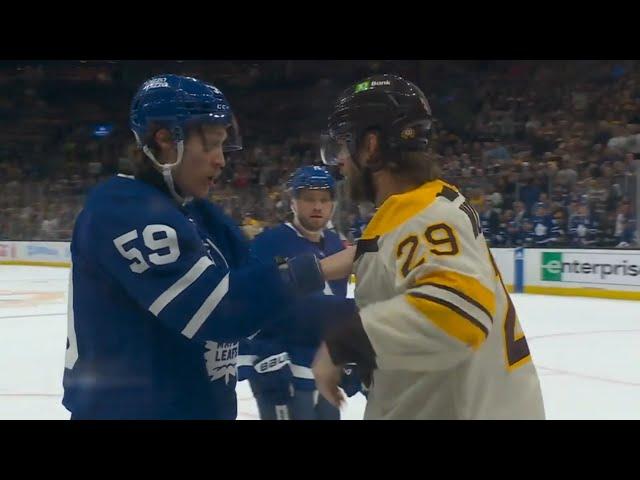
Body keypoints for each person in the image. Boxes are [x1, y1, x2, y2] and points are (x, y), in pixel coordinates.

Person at [62, 74, 352, 419]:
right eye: (211, 144)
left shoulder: (201, 215)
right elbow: (217, 309)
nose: (221, 160)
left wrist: (369, 323)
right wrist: (326, 267)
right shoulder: (121, 208)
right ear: (167, 140)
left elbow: (269, 307)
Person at [314, 74, 545, 419]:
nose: (339, 162)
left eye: (344, 146)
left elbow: (456, 315)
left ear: (370, 146)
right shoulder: (427, 206)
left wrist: (343, 344)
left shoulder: (425, 218)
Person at [237, 166, 363, 420]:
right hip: (284, 371)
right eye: (308, 199)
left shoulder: (335, 243)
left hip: (325, 370)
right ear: (293, 202)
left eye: (324, 200)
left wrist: (348, 354)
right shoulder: (269, 243)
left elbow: (333, 310)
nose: (317, 206)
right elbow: (245, 304)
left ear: (333, 205)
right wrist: (263, 354)